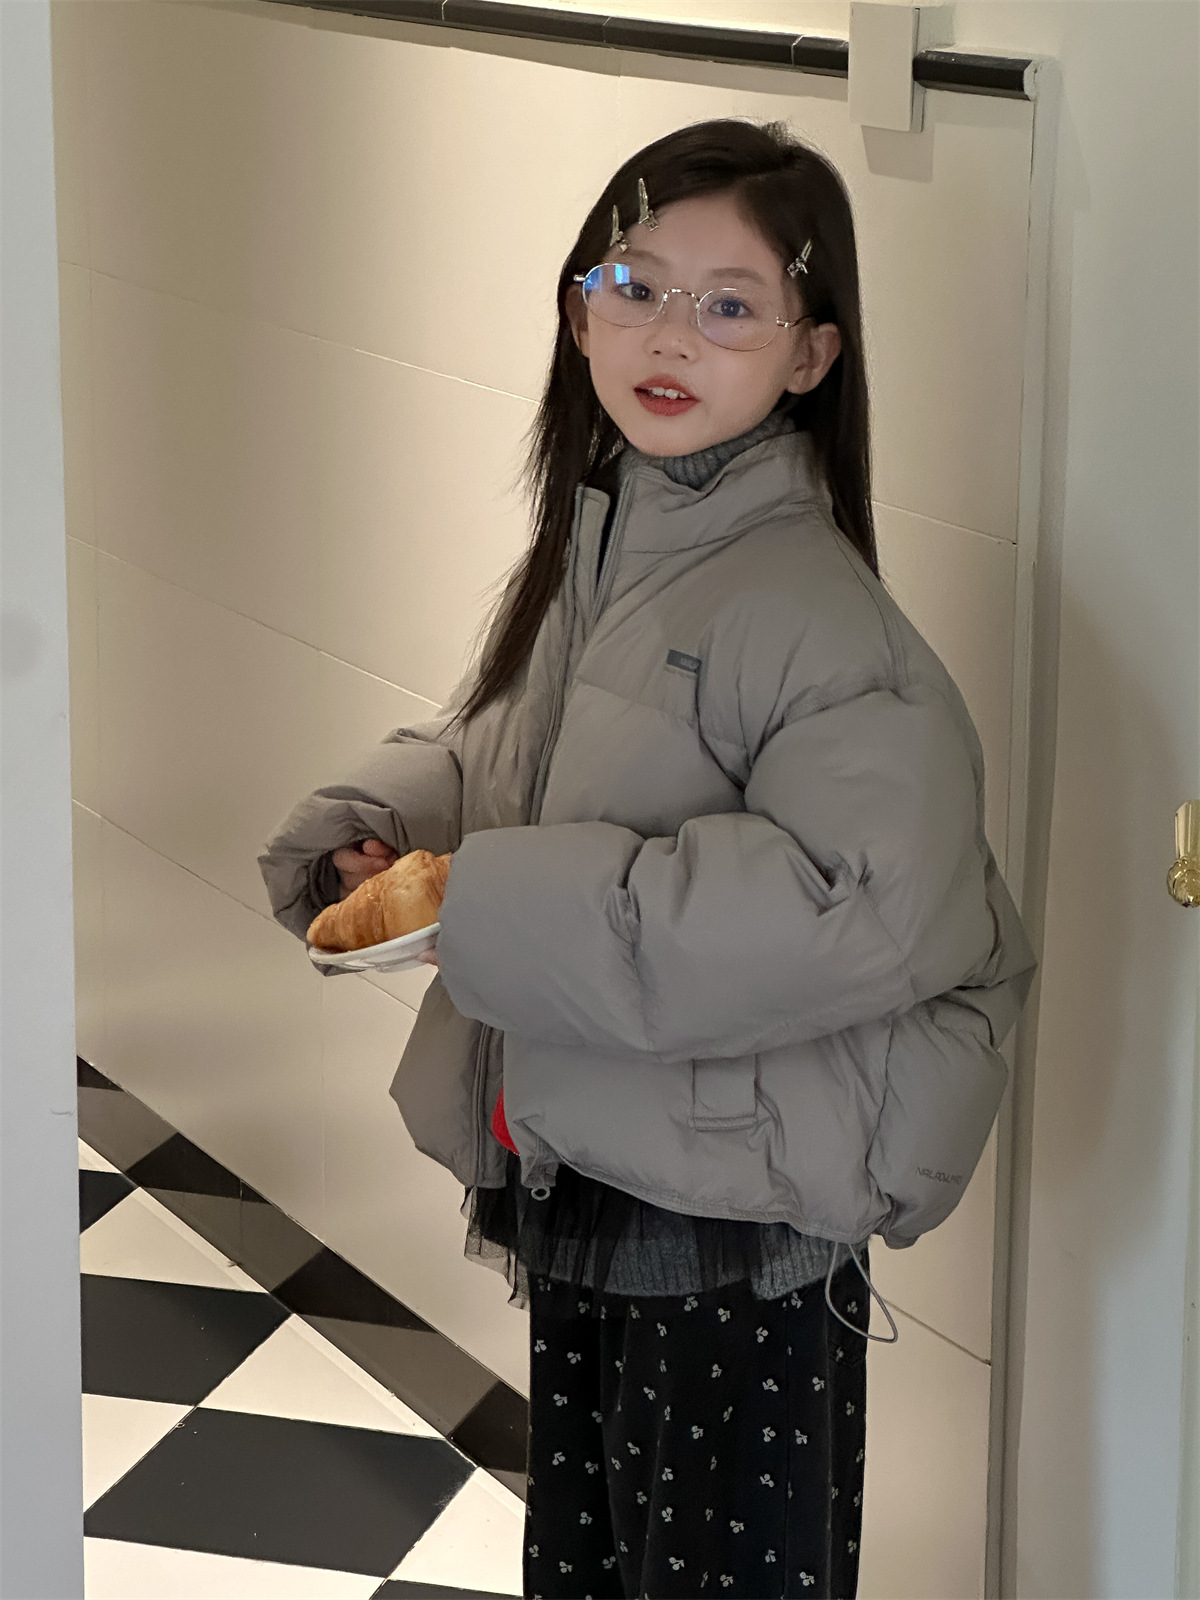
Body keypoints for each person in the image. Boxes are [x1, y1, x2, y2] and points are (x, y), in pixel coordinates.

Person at [259, 118, 1036, 1600]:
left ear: (810, 354)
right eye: (634, 283)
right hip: (602, 1169)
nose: (670, 333)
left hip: (732, 1222)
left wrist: (484, 902)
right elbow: (523, 758)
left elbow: (842, 908)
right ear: (579, 313)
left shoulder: (816, 613)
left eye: (731, 304)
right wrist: (391, 826)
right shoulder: (611, 545)